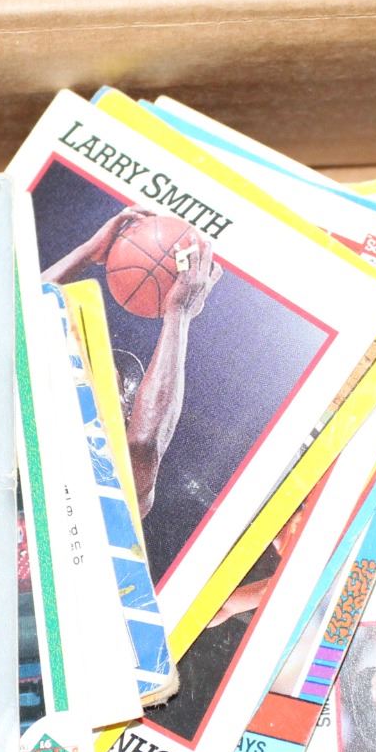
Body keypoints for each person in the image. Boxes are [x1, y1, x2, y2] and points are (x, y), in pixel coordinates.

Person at [41, 205, 221, 520]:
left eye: (108, 379)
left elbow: (143, 443)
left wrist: (178, 315)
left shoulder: (116, 482)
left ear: (126, 408)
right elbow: (13, 322)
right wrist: (88, 252)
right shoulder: (35, 424)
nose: (89, 377)